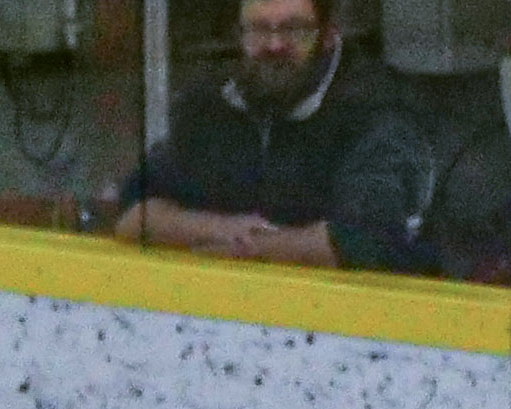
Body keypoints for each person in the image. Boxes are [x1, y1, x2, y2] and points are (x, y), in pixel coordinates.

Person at [97, 0, 471, 273]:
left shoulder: (381, 111)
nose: (274, 46)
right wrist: (224, 229)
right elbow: (134, 214)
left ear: (327, 36)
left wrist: (234, 250)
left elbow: (358, 243)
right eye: (259, 29)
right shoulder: (210, 105)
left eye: (293, 29)